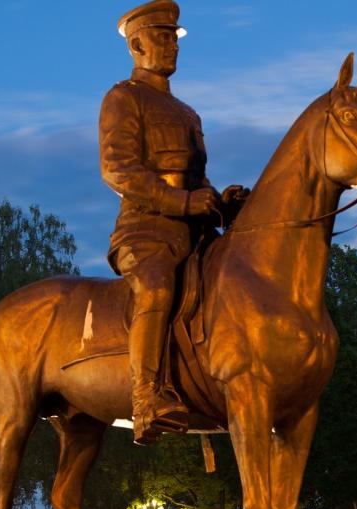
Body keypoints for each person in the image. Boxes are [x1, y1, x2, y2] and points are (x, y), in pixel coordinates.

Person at [99, 0, 247, 444]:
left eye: (175, 38)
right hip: (146, 232)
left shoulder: (188, 113)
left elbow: (196, 177)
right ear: (137, 44)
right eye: (163, 37)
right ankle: (147, 397)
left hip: (196, 235)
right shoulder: (122, 97)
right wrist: (182, 202)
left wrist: (221, 200)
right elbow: (118, 169)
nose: (173, 46)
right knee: (158, 287)